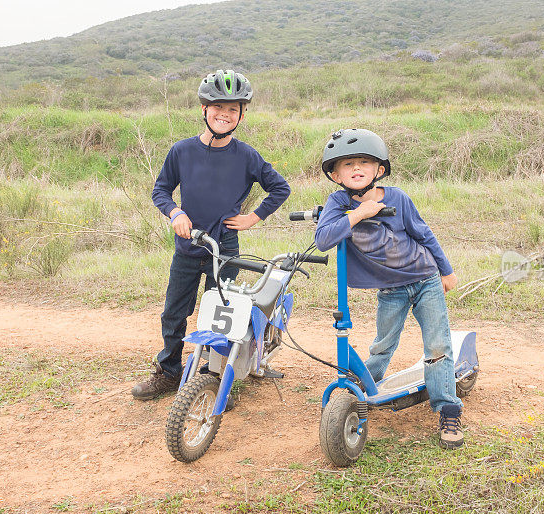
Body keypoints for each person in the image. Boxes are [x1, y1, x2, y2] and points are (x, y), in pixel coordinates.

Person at [132, 69, 291, 400]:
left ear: (242, 115)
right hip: (188, 247)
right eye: (218, 107)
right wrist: (175, 212)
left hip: (226, 249)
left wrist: (253, 217)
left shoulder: (246, 156)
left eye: (233, 109)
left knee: (222, 317)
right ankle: (170, 372)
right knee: (174, 312)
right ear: (204, 110)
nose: (225, 114)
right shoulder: (182, 151)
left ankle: (214, 377)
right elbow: (161, 190)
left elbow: (280, 187)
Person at [314, 128, 464, 448]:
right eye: (347, 164)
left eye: (364, 162)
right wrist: (358, 214)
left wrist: (446, 271)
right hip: (391, 290)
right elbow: (324, 240)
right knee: (383, 345)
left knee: (437, 347)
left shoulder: (398, 198)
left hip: (424, 280)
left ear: (379, 170)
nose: (356, 168)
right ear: (335, 174)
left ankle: (448, 410)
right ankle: (365, 384)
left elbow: (424, 235)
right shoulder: (338, 203)